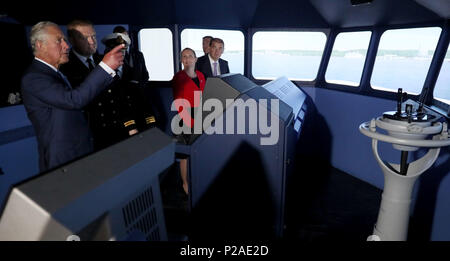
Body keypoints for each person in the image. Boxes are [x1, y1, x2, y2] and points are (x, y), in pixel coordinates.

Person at [21, 21, 124, 172]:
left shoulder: (54, 73)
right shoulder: (34, 78)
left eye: (64, 40)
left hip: (79, 153)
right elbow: (73, 100)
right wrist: (105, 67)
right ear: (40, 45)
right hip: (63, 161)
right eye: (59, 41)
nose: (66, 46)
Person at [83, 32, 157, 151]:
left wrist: (151, 125)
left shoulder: (134, 70)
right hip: (112, 131)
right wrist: (130, 126)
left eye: (122, 51)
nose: (120, 54)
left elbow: (143, 102)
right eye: (116, 50)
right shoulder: (100, 73)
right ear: (108, 51)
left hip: (138, 126)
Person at [172, 48, 206, 195]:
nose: (187, 59)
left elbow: (205, 97)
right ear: (181, 60)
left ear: (195, 59)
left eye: (190, 56)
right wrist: (191, 123)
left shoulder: (201, 75)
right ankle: (185, 185)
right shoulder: (178, 77)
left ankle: (197, 180)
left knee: (198, 151)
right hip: (185, 119)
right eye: (184, 57)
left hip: (200, 117)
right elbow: (179, 103)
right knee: (185, 156)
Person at [59, 19, 102, 88]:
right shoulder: (64, 68)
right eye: (84, 38)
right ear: (72, 40)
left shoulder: (103, 60)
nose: (92, 42)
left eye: (93, 36)